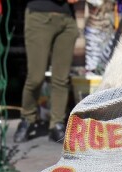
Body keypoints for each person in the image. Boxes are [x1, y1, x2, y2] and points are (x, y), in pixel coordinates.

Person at [15, 0, 80, 144]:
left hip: (67, 19)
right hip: (39, 16)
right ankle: (27, 118)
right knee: (35, 77)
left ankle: (57, 123)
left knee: (61, 79)